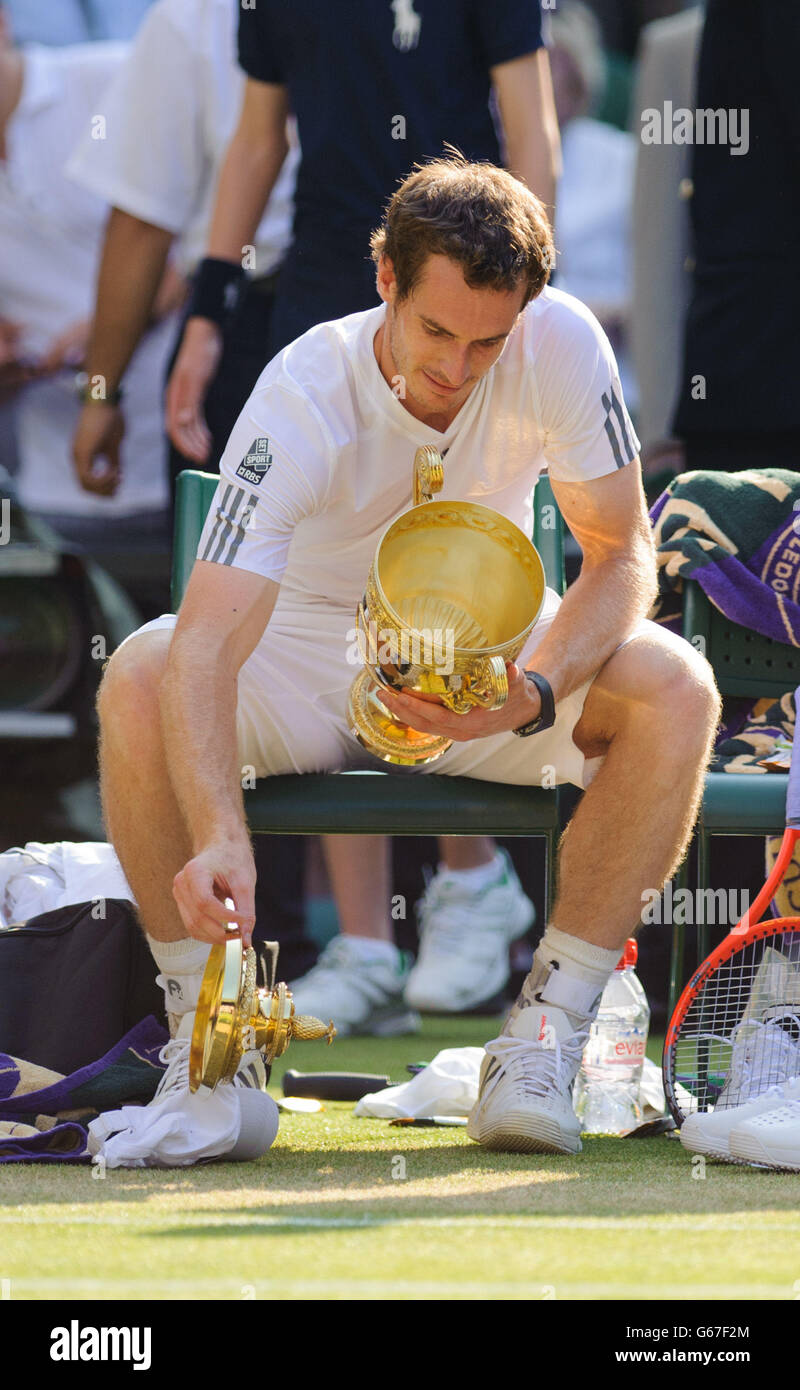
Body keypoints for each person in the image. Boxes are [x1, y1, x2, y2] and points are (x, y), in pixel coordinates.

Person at [93, 156, 720, 1166]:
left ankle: (542, 1039)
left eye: (487, 342)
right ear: (384, 274)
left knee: (674, 686)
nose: (457, 369)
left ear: (529, 307)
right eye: (436, 332)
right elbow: (207, 638)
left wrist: (533, 688)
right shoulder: (302, 385)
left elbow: (619, 556)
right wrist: (221, 833)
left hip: (488, 671)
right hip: (297, 663)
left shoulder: (560, 341)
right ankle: (210, 1039)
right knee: (140, 668)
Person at [164, 0, 561, 1026]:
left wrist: (523, 311)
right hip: (323, 291)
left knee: (430, 581)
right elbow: (260, 137)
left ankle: (471, 882)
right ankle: (364, 942)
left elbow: (530, 132)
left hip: (468, 298)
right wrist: (208, 308)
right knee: (318, 591)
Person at [0, 12, 176, 558]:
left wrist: (107, 338)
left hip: (186, 442)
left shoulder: (114, 77)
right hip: (51, 482)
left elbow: (216, 234)